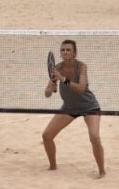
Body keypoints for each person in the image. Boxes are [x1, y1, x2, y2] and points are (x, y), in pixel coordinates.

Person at [42, 40, 105, 177]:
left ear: (74, 53)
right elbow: (47, 94)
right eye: (63, 50)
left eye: (68, 50)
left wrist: (63, 79)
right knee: (46, 136)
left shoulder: (81, 67)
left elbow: (81, 89)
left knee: (94, 137)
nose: (65, 52)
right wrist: (50, 88)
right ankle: (53, 166)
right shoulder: (57, 68)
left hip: (89, 107)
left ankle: (102, 171)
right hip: (69, 108)